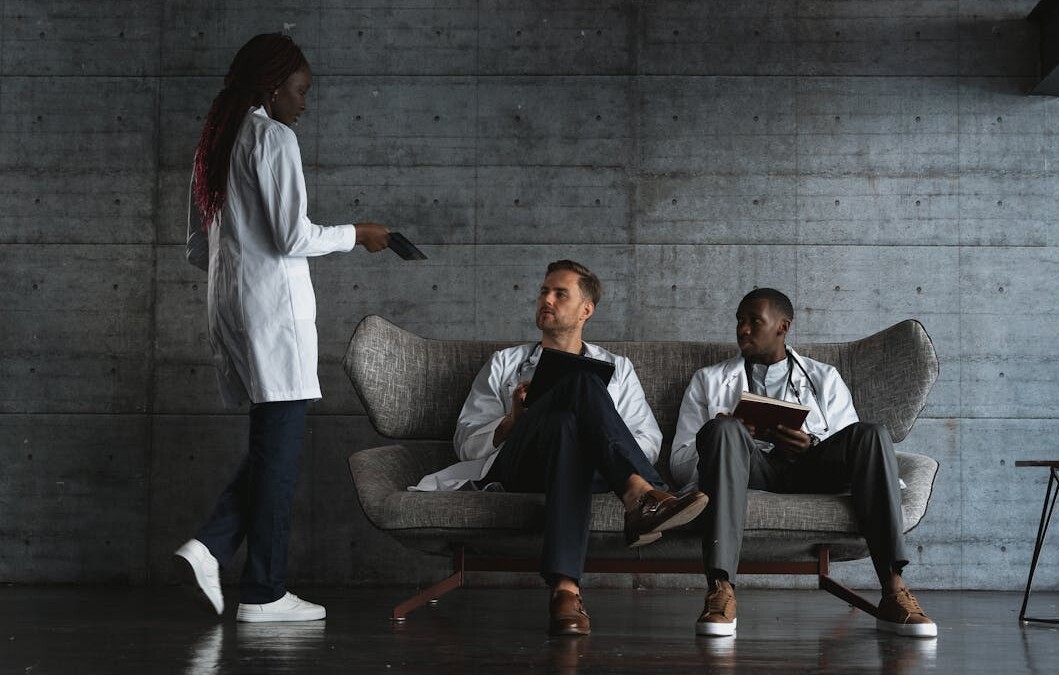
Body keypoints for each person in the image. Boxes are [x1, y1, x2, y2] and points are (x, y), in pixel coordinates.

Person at [174, 33, 391, 623]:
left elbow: (198, 246)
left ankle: (216, 550)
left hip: (231, 309)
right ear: (272, 85)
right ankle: (262, 591)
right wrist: (357, 234)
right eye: (299, 90)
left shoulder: (214, 143)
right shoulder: (273, 137)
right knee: (280, 450)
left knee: (273, 447)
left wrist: (242, 261)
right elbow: (293, 237)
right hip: (272, 316)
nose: (304, 102)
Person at [414, 260, 708, 636]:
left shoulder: (617, 366)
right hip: (519, 466)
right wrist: (514, 420)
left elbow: (648, 441)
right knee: (583, 384)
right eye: (543, 291)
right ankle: (643, 494)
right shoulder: (505, 363)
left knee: (569, 423)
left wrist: (594, 434)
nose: (546, 299)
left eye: (559, 293)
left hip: (588, 468)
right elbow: (466, 442)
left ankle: (565, 590)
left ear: (586, 309)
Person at [671, 288, 937, 638]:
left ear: (783, 326)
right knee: (722, 428)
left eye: (754, 321)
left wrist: (811, 443)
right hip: (749, 470)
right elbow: (678, 463)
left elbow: (851, 444)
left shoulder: (823, 376)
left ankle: (893, 589)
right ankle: (720, 589)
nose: (743, 329)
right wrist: (726, 437)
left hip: (811, 468)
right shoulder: (708, 380)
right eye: (739, 321)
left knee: (871, 433)